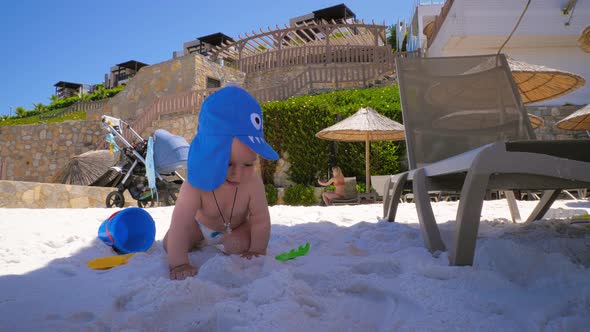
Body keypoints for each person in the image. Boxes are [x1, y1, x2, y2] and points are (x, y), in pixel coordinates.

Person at [163, 85, 279, 280]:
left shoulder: (252, 181)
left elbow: (260, 220)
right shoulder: (195, 184)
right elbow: (181, 224)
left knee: (241, 244)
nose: (239, 174)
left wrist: (257, 252)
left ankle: (227, 241)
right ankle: (197, 242)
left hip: (235, 228)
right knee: (171, 243)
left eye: (249, 164)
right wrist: (179, 264)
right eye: (228, 163)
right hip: (199, 226)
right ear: (208, 156)